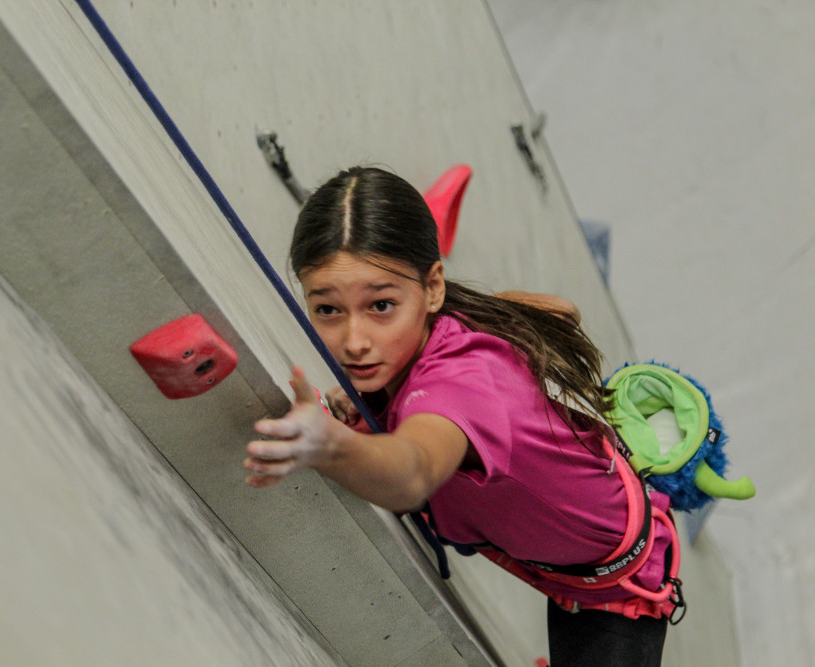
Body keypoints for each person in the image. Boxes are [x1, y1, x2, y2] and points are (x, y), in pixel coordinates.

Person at [244, 166, 679, 666]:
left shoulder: (461, 386)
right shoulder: (453, 324)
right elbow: (563, 310)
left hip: (618, 596)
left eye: (381, 305)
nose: (354, 341)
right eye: (327, 310)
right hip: (572, 553)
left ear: (434, 287)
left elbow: (412, 472)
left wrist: (330, 445)